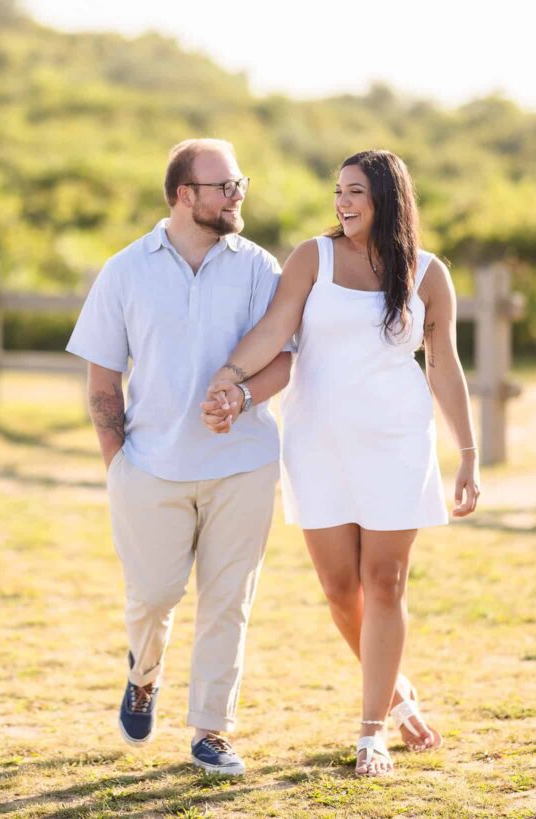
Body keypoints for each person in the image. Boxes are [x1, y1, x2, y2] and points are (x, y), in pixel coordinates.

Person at [202, 149, 481, 776]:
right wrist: (231, 374)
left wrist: (467, 452)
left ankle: (372, 730)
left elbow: (445, 366)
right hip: (318, 442)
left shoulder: (428, 274)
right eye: (338, 191)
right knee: (339, 589)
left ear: (387, 197)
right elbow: (276, 329)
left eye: (355, 191)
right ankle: (400, 692)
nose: (343, 202)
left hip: (396, 443)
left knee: (385, 581)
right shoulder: (313, 258)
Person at [66, 138, 294, 776]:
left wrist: (244, 395)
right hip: (149, 467)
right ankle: (143, 676)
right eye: (223, 185)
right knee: (154, 594)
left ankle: (211, 730)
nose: (236, 194)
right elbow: (103, 379)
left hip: (244, 464)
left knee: (228, 600)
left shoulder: (258, 267)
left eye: (239, 183)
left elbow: (283, 357)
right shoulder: (125, 270)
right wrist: (118, 464)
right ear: (183, 195)